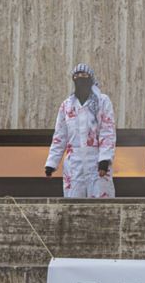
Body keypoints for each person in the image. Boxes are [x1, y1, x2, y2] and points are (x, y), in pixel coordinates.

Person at [45, 64, 116, 198]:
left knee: (100, 205)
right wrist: (52, 163)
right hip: (74, 164)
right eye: (76, 77)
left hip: (96, 161)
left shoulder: (102, 101)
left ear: (91, 79)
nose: (80, 79)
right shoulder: (67, 106)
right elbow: (60, 136)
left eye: (84, 76)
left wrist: (104, 159)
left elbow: (108, 132)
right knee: (73, 205)